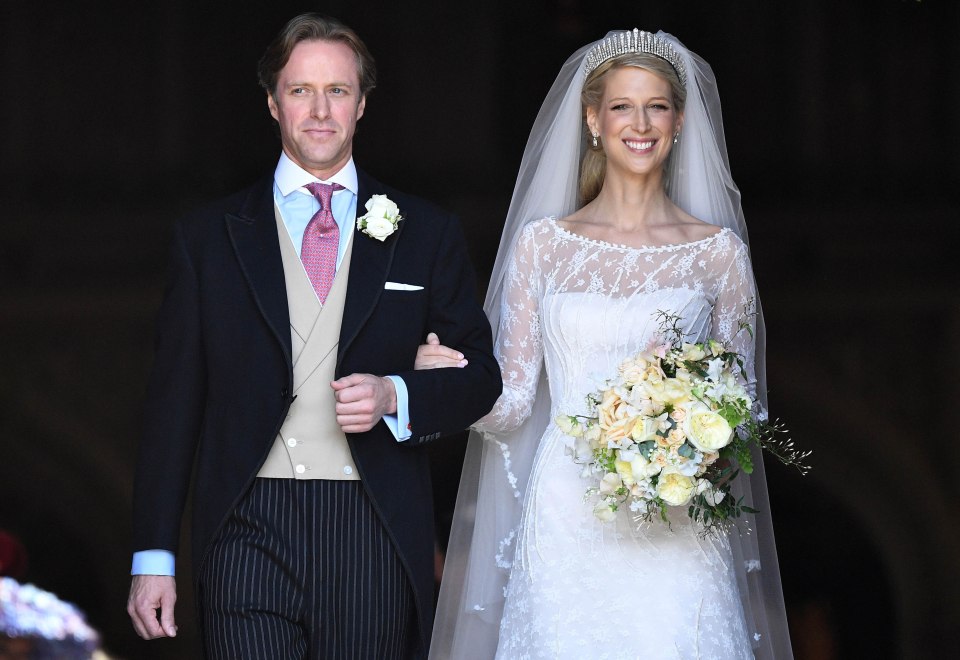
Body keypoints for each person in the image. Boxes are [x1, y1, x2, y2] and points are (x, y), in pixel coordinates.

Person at [125, 13, 501, 659]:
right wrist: (152, 555)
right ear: (273, 102)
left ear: (362, 103)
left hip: (373, 524)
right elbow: (173, 405)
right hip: (247, 522)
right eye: (301, 90)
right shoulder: (209, 237)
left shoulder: (426, 231)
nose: (320, 110)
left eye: (338, 90)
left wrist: (396, 395)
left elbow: (481, 378)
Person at [425, 29, 793, 658]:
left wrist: (686, 449)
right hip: (567, 517)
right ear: (593, 119)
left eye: (656, 105)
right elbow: (513, 403)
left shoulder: (718, 254)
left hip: (677, 524)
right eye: (623, 105)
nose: (640, 123)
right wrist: (448, 379)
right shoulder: (544, 245)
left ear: (678, 121)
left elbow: (744, 409)